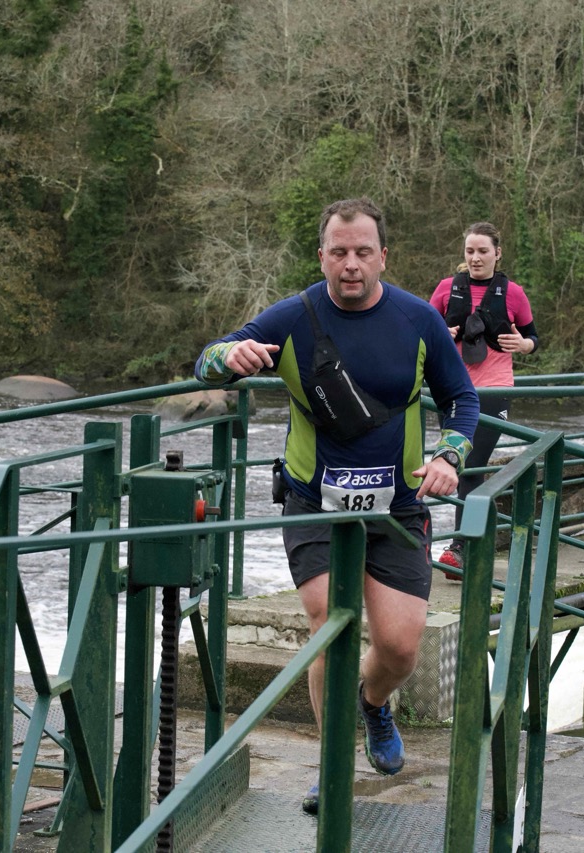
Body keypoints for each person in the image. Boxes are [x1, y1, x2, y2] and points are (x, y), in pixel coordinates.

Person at [195, 198, 479, 815]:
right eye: (339, 252)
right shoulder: (292, 316)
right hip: (314, 502)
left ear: (383, 257)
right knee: (331, 626)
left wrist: (449, 456)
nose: (351, 264)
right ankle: (331, 767)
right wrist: (228, 357)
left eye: (363, 252)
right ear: (322, 255)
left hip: (398, 507)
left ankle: (373, 706)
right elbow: (206, 363)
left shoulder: (417, 319)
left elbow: (462, 398)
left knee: (399, 647)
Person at [428, 221, 539, 577]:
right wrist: (440, 334)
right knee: (458, 466)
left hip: (494, 389)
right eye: (470, 251)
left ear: (497, 253)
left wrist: (523, 344)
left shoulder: (514, 294)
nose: (475, 258)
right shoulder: (446, 289)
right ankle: (470, 547)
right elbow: (423, 333)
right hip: (452, 390)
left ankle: (461, 548)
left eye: (483, 251)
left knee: (471, 464)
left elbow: (533, 337)